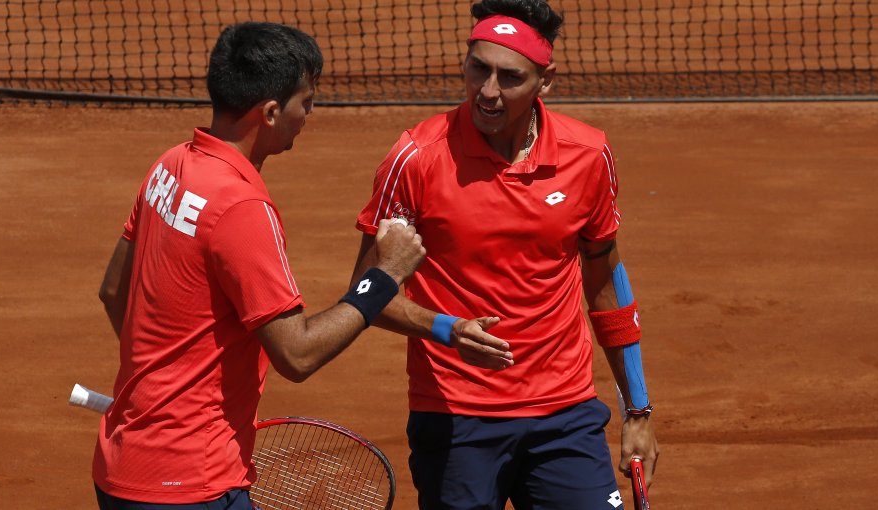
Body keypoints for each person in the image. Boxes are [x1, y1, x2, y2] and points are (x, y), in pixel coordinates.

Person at [92, 22, 425, 510]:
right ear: (270, 112)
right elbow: (298, 354)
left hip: (122, 467)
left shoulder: (169, 166)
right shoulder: (242, 209)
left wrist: (163, 388)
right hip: (191, 486)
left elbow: (113, 291)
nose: (310, 114)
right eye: (306, 102)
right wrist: (385, 276)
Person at [350, 1, 659, 508]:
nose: (487, 92)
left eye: (509, 77)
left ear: (546, 81)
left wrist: (638, 411)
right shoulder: (416, 157)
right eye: (478, 69)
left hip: (565, 413)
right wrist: (445, 328)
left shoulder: (589, 155)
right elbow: (365, 293)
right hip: (456, 415)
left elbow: (606, 286)